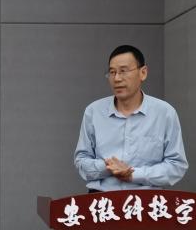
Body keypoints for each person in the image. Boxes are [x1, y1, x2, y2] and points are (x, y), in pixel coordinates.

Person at [74, 44, 188, 191]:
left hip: (147, 200)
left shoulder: (165, 113)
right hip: (102, 199)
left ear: (143, 73)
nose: (117, 78)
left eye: (123, 71)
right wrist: (108, 167)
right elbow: (81, 160)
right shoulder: (93, 112)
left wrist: (134, 174)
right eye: (112, 72)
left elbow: (176, 165)